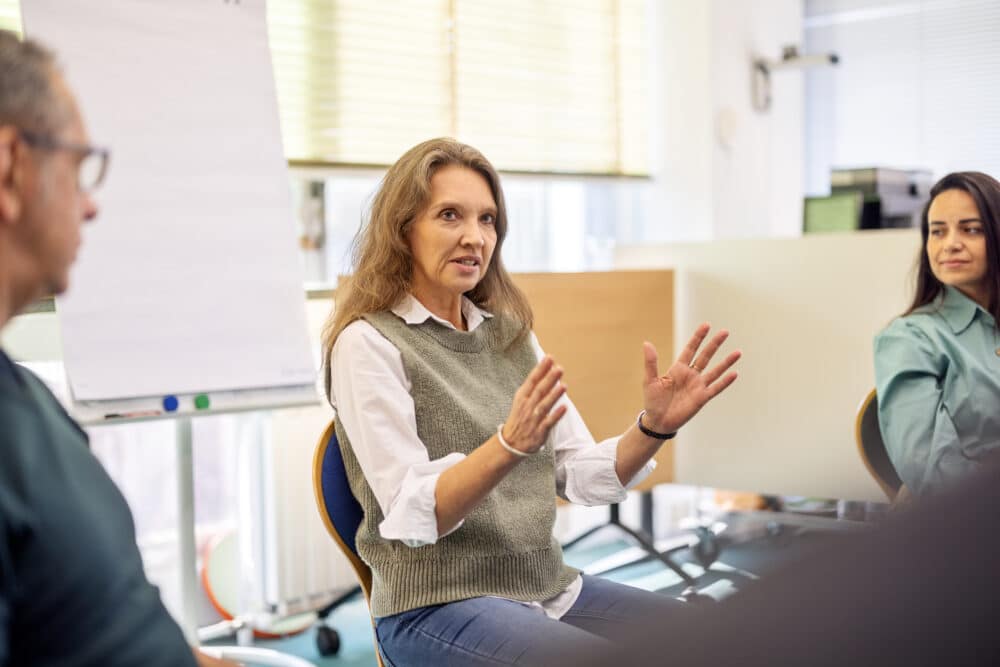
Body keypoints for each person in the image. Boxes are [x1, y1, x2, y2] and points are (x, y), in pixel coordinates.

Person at [322, 137, 741, 665]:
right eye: (450, 216)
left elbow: (579, 475)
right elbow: (410, 514)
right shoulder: (368, 344)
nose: (475, 237)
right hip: (435, 605)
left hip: (547, 589)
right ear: (403, 229)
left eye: (488, 220)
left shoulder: (510, 335)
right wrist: (508, 446)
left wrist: (653, 428)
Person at [0, 31, 235, 667]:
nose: (92, 205)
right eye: (78, 169)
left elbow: (88, 611)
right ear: (10, 168)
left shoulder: (27, 403)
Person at [562, 452, 1000, 667]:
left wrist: (654, 428)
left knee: (709, 636)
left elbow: (584, 476)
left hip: (555, 581)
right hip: (502, 593)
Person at [874, 171, 1000, 496]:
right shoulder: (910, 339)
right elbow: (933, 477)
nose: (950, 244)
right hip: (971, 528)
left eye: (971, 230)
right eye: (937, 231)